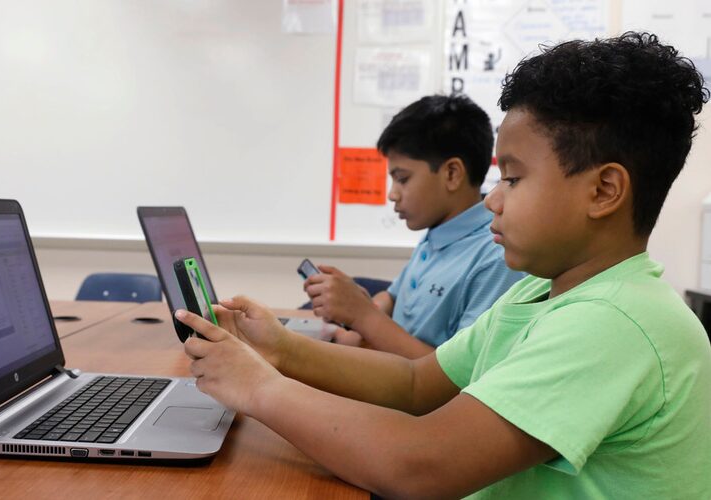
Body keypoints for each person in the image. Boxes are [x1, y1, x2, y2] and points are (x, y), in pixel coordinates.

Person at [176, 32, 711, 498]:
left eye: (514, 178)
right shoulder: (540, 293)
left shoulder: (615, 323)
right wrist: (281, 348)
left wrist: (258, 387)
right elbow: (415, 383)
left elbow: (420, 465)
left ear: (604, 190)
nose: (494, 200)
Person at [305, 94, 524, 358]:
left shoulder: (495, 255)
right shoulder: (439, 231)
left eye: (402, 179)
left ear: (452, 174)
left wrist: (362, 316)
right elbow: (394, 296)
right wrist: (363, 305)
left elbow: (456, 377)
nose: (392, 194)